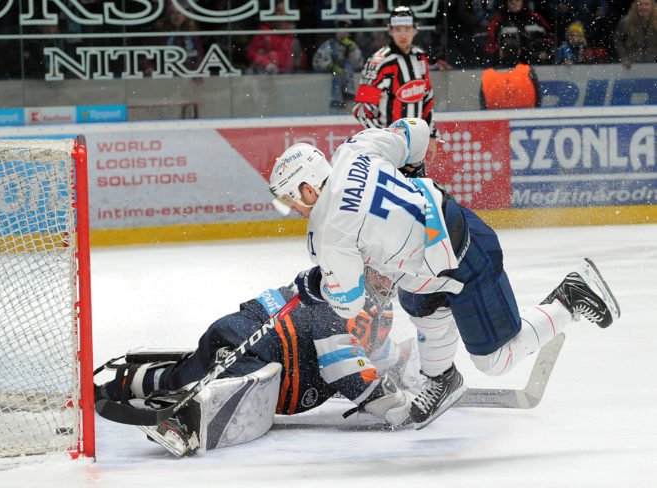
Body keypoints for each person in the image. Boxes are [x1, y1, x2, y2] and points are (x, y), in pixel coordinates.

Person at [268, 118, 621, 428]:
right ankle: (442, 378)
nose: (294, 209)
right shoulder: (354, 150)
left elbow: (348, 304)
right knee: (422, 308)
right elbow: (416, 132)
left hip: (465, 263)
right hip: (452, 229)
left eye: (291, 199)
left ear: (309, 188)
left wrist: (323, 289)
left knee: (495, 361)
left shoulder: (327, 232)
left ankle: (571, 298)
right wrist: (414, 170)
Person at [96, 271, 421, 455]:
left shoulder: (358, 294)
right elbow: (346, 370)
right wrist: (402, 406)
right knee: (233, 385)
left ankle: (123, 382)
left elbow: (375, 350)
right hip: (249, 347)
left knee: (179, 378)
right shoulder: (343, 297)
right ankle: (183, 419)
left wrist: (421, 371)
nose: (388, 277)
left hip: (236, 331)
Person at [352, 7, 440, 172]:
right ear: (390, 31)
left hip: (415, 150)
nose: (403, 35)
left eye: (407, 29)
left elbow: (427, 99)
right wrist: (383, 141)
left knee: (416, 195)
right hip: (388, 152)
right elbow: (361, 109)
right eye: (398, 29)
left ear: (415, 30)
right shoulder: (379, 62)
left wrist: (431, 134)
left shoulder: (420, 58)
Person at [480, 32, 542, 109]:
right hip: (526, 118)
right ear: (518, 52)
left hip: (497, 120)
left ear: (501, 53)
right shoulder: (528, 72)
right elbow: (538, 101)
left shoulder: (487, 76)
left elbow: (483, 107)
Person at [312, 20, 364, 110]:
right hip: (331, 92)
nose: (343, 32)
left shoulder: (352, 46)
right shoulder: (329, 45)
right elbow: (316, 62)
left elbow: (359, 64)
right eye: (340, 28)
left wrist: (352, 50)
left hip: (351, 92)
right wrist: (330, 66)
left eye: (346, 29)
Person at [484, 0, 554, 65]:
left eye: (517, 0)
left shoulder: (536, 19)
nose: (514, 3)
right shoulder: (498, 21)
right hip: (507, 66)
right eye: (510, 1)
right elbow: (490, 44)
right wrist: (498, 53)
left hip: (538, 65)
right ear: (506, 3)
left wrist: (546, 52)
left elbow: (550, 38)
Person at [614, 0, 657, 69]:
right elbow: (618, 40)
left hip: (655, 61)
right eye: (640, 4)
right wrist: (624, 57)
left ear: (653, 7)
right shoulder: (626, 21)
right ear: (635, 6)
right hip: (633, 63)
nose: (643, 7)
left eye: (646, 4)